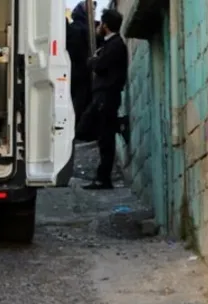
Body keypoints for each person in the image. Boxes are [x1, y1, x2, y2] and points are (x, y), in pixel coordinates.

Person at [82, 9, 128, 190]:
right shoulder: (110, 44)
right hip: (103, 95)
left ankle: (103, 178)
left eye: (101, 24)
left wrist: (93, 61)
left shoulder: (115, 45)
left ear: (106, 26)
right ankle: (119, 125)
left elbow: (100, 66)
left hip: (106, 96)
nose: (99, 27)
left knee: (104, 137)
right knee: (99, 133)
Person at [66, 2, 95, 137]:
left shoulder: (72, 28)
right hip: (83, 71)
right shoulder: (85, 29)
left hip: (72, 71)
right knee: (82, 101)